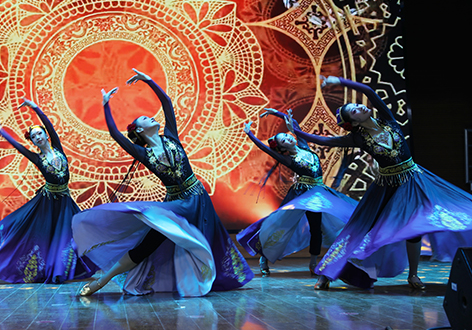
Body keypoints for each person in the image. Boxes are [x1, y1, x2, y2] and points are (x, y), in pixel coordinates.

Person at [73, 69, 253, 297]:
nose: (151, 117)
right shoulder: (143, 153)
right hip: (175, 204)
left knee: (208, 240)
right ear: (140, 130)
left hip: (198, 199)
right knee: (148, 245)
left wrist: (148, 80)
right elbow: (115, 134)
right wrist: (106, 105)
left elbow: (166, 102)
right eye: (145, 119)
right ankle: (102, 281)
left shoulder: (170, 136)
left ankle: (209, 280)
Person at [294, 75, 472, 290]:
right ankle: (327, 274)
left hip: (413, 181)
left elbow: (369, 92)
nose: (360, 107)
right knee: (359, 228)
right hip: (386, 187)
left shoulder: (388, 121)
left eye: (357, 105)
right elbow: (325, 141)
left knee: (416, 229)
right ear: (354, 122)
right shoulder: (359, 138)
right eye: (354, 111)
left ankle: (413, 275)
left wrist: (339, 81)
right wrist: (296, 131)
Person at [0, 98, 96, 284]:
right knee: (24, 234)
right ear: (33, 142)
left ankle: (59, 270)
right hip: (47, 203)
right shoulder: (37, 158)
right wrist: (1, 131)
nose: (38, 137)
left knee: (72, 234)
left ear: (46, 135)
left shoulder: (58, 148)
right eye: (34, 137)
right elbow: (18, 146)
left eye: (40, 133)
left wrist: (35, 108)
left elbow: (49, 125)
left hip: (64, 202)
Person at [238, 109, 357, 280]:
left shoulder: (303, 146)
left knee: (316, 228)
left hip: (318, 193)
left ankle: (313, 262)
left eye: (286, 136)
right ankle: (264, 257)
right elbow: (265, 148)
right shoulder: (288, 159)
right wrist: (249, 134)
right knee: (281, 225)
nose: (288, 138)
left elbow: (293, 124)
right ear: (282, 149)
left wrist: (276, 112)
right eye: (283, 140)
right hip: (301, 194)